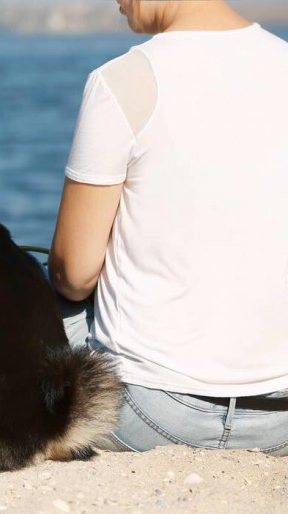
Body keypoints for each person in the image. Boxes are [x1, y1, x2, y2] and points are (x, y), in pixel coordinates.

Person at [49, 0, 288, 454]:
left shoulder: (122, 80)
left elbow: (74, 276)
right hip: (281, 422)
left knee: (9, 287)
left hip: (148, 415)